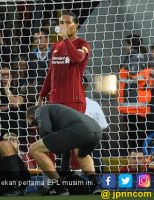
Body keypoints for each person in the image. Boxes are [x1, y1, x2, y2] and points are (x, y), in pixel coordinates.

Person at [37, 11, 91, 171]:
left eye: (68, 23)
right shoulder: (56, 46)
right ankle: (62, 178)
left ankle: (83, 178)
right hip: (55, 100)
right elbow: (51, 73)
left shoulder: (83, 44)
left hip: (74, 100)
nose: (64, 26)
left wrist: (66, 39)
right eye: (61, 22)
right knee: (56, 142)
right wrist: (41, 96)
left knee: (75, 143)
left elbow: (76, 58)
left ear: (76, 25)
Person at [27, 104, 102, 195]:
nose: (35, 127)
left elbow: (45, 129)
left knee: (34, 149)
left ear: (31, 116)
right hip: (97, 130)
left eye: (32, 123)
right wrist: (64, 173)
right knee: (80, 153)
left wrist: (49, 146)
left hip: (79, 130)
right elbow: (66, 148)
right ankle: (95, 185)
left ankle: (59, 187)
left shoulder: (39, 110)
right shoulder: (60, 114)